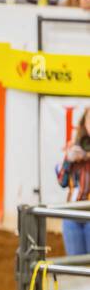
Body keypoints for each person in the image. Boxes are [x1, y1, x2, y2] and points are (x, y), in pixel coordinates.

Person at [56, 108, 90, 255]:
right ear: (84, 123)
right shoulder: (75, 146)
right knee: (75, 266)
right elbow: (62, 181)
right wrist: (68, 160)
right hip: (72, 214)